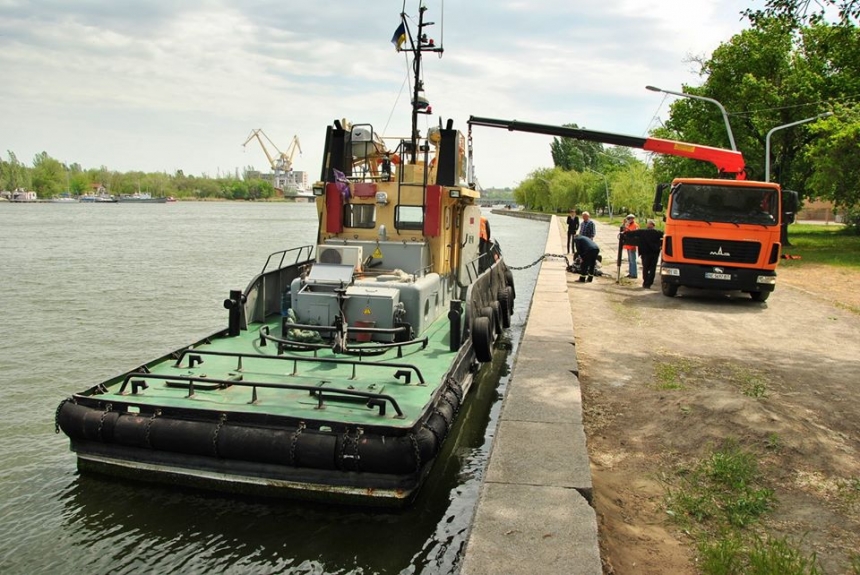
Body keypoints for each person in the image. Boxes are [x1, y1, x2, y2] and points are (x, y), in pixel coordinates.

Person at [622, 218, 664, 289]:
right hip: (655, 253)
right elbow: (665, 235)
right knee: (653, 269)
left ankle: (645, 282)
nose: (647, 224)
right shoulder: (658, 232)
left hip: (645, 253)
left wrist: (625, 232)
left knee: (645, 268)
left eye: (648, 223)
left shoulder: (643, 232)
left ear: (649, 225)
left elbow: (632, 233)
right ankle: (649, 283)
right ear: (654, 225)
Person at [622, 214, 639, 279]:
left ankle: (634, 274)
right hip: (628, 245)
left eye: (630, 218)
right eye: (628, 218)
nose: (629, 220)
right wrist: (624, 224)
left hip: (632, 245)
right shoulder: (628, 225)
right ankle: (630, 273)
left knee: (633, 260)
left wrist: (634, 246)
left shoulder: (635, 225)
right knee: (629, 260)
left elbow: (635, 235)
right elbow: (624, 231)